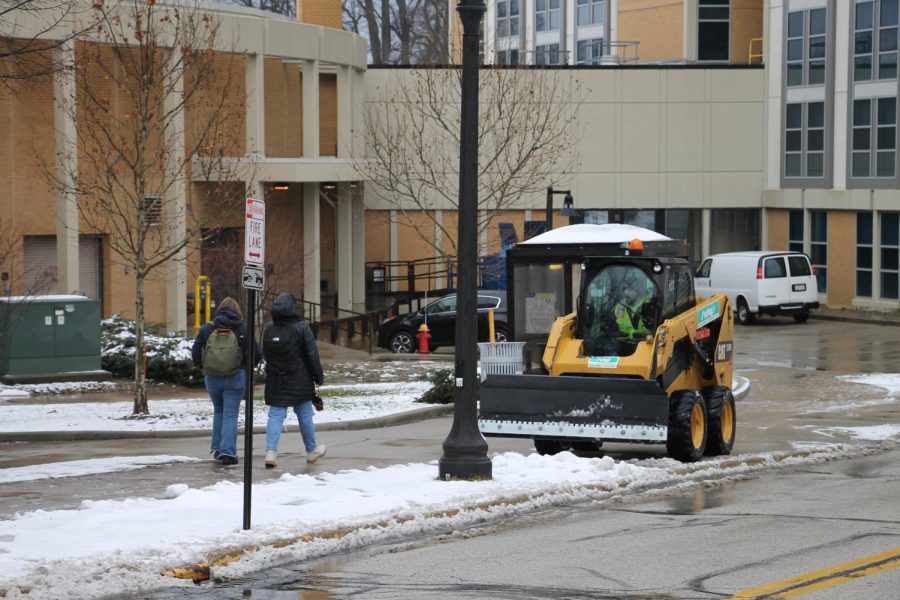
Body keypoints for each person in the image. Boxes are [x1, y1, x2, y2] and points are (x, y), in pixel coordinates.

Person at [191, 296, 260, 466]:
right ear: (237, 311)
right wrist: (245, 366)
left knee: (219, 411)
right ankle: (227, 452)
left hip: (212, 378)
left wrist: (203, 367)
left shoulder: (207, 329)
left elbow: (195, 352)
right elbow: (256, 355)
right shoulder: (243, 329)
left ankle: (217, 449)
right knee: (230, 415)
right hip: (236, 377)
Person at [262, 292, 326, 468]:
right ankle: (312, 450)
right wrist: (318, 377)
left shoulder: (269, 328)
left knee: (275, 415)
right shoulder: (302, 327)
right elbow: (312, 354)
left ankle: (271, 452)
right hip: (300, 379)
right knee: (305, 414)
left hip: (276, 378)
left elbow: (265, 353)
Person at [614, 278, 653, 343]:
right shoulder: (619, 307)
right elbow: (615, 327)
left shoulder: (648, 306)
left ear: (638, 291)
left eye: (630, 290)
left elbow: (653, 331)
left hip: (646, 344)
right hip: (623, 344)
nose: (626, 292)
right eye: (625, 289)